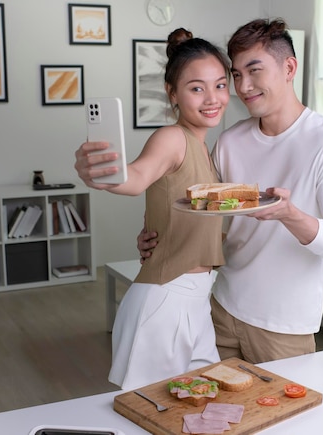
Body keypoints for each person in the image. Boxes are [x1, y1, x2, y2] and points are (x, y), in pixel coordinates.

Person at [138, 18, 323, 364]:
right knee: (207, 413)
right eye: (237, 74)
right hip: (220, 308)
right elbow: (204, 212)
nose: (244, 86)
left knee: (284, 419)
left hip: (283, 327)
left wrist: (291, 215)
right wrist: (158, 235)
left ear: (289, 67)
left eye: (254, 70)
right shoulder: (230, 141)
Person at [73, 28, 230, 389]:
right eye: (196, 88)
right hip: (165, 301)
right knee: (148, 411)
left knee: (200, 406)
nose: (212, 98)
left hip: (195, 300)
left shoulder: (205, 148)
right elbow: (137, 177)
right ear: (172, 93)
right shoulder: (172, 138)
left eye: (220, 85)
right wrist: (102, 173)